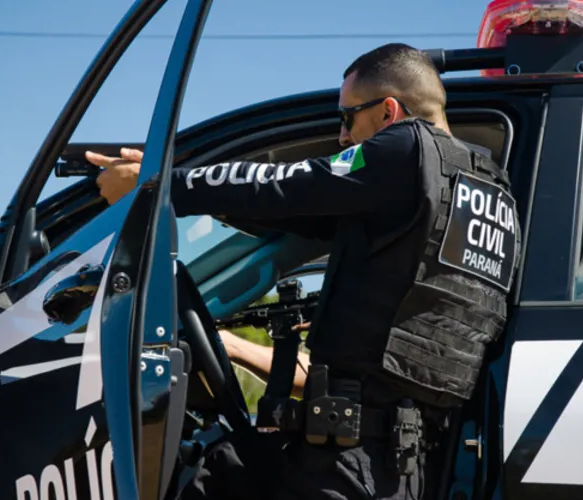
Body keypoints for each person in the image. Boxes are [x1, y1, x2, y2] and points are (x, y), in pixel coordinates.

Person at [86, 43, 522, 500]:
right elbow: (303, 215)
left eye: (347, 117)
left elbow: (285, 186)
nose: (342, 136)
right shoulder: (490, 190)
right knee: (220, 471)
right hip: (409, 458)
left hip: (355, 454)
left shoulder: (406, 148)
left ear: (389, 111)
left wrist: (157, 186)